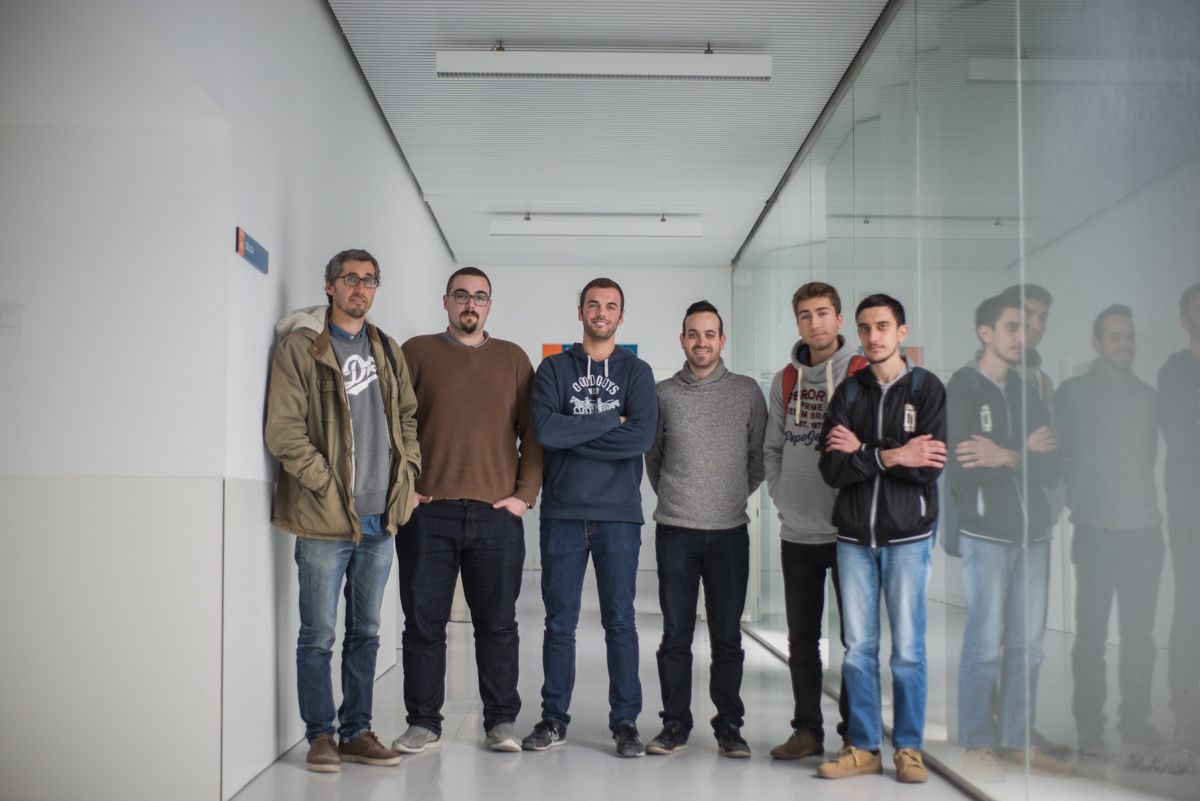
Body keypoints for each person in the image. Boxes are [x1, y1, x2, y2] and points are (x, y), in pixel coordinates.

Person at [265, 249, 420, 773]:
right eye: (350, 279)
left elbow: (406, 418)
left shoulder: (387, 349)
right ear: (329, 286)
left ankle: (357, 730)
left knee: (368, 632)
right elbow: (283, 431)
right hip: (323, 520)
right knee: (318, 636)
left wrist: (409, 471)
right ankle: (320, 736)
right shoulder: (301, 348)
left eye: (369, 280)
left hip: (380, 519)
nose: (361, 289)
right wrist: (325, 483)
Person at [391, 267, 543, 755]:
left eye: (479, 297)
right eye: (461, 296)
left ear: (489, 305)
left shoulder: (514, 359)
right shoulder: (416, 352)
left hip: (496, 515)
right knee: (423, 624)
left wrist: (524, 495)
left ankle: (501, 723)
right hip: (427, 513)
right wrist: (405, 490)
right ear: (446, 302)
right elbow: (393, 423)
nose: (470, 304)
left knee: (498, 624)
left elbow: (534, 434)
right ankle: (423, 723)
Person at [522, 277, 657, 758]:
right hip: (562, 513)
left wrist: (574, 431)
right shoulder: (554, 368)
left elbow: (639, 438)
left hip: (619, 516)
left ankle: (625, 723)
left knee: (621, 622)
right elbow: (545, 429)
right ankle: (553, 718)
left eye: (611, 306)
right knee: (560, 623)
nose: (601, 313)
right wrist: (608, 422)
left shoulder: (637, 372)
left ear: (622, 315)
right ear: (580, 311)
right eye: (593, 305)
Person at [816, 293, 947, 784]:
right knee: (858, 649)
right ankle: (863, 746)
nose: (874, 336)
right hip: (852, 538)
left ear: (902, 333)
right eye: (866, 328)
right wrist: (893, 455)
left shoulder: (927, 390)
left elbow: (928, 466)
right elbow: (832, 468)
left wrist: (864, 454)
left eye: (883, 327)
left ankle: (909, 748)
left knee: (909, 649)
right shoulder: (848, 393)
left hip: (908, 539)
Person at [948, 294, 1070, 779]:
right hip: (986, 536)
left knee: (1029, 646)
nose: (1024, 336)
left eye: (1029, 328)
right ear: (985, 332)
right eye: (1013, 327)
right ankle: (977, 740)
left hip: (1032, 537)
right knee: (983, 644)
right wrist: (1019, 454)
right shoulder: (960, 387)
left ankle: (1017, 738)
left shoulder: (1028, 391)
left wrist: (1009, 454)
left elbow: (1049, 465)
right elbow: (965, 463)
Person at [643, 301, 767, 758]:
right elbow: (652, 460)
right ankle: (674, 724)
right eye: (693, 334)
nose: (701, 342)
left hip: (729, 532)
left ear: (722, 340)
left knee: (727, 635)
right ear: (682, 340)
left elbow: (758, 460)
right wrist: (679, 497)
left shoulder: (747, 392)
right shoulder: (661, 394)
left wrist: (729, 495)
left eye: (709, 334)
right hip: (675, 530)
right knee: (675, 634)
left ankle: (729, 726)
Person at [1057, 304, 1165, 753]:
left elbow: (1146, 457)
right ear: (1099, 343)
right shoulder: (1072, 393)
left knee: (1140, 638)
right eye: (1116, 337)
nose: (1125, 344)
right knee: (1091, 637)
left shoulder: (1148, 397)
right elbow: (1061, 456)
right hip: (1096, 532)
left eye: (1130, 337)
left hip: (1143, 531)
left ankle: (1135, 723)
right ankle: (1090, 729)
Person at [762, 282, 858, 761]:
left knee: (855, 641)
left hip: (850, 534)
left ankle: (855, 736)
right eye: (805, 315)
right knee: (802, 639)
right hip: (796, 530)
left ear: (839, 319)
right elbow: (771, 447)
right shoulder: (786, 379)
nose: (814, 323)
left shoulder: (859, 373)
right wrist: (782, 495)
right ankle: (807, 730)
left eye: (823, 313)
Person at [1161, 283, 1200, 749]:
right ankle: (1186, 712)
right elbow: (1182, 435)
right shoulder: (1175, 372)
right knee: (1190, 607)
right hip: (1190, 509)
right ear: (1184, 319)